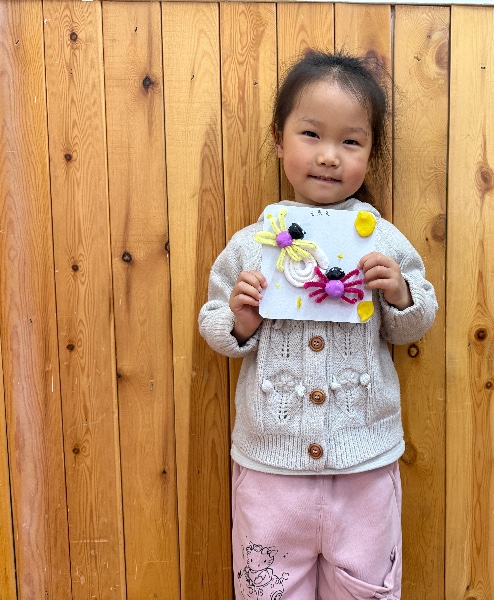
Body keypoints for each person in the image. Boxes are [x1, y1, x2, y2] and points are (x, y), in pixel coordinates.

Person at [198, 49, 437, 599]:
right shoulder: (254, 244)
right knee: (268, 591)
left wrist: (400, 293)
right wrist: (240, 321)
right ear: (279, 140)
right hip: (270, 472)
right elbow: (214, 323)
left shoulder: (381, 239)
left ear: (371, 154)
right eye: (311, 134)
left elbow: (412, 324)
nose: (329, 156)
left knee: (366, 590)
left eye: (351, 141)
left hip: (364, 468)